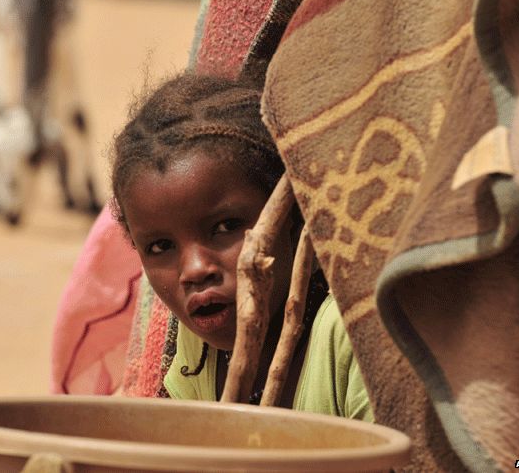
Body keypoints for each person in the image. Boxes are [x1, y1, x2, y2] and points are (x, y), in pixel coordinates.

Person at [110, 73, 372, 421]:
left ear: (290, 216)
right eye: (160, 246)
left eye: (225, 227)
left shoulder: (350, 337)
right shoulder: (198, 348)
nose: (195, 270)